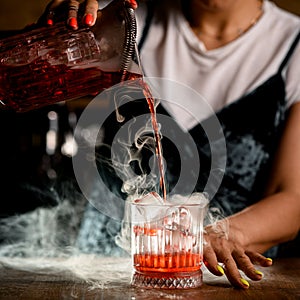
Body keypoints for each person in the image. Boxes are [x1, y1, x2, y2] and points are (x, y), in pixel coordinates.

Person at [7, 0, 300, 289]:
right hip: (104, 269)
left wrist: (226, 233)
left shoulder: (292, 44)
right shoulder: (124, 22)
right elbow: (29, 75)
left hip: (219, 276)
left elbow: (292, 197)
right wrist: (50, 42)